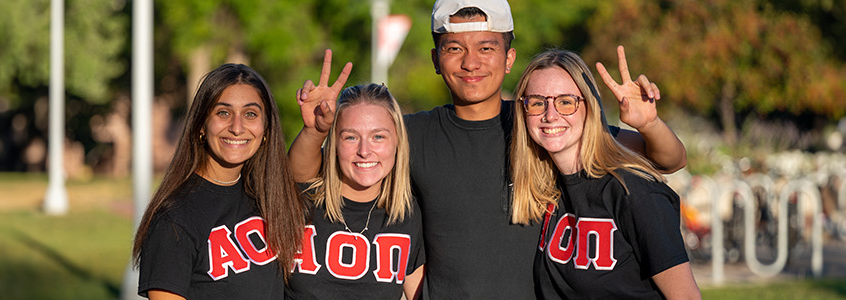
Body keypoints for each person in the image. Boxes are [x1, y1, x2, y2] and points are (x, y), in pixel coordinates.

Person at [288, 0, 689, 298]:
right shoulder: (414, 133)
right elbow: (309, 172)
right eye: (454, 48)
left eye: (486, 47)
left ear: (509, 57)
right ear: (435, 58)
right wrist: (312, 133)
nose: (471, 62)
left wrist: (650, 124)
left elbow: (668, 159)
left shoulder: (542, 123)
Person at [511, 50, 700, 299]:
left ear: (589, 107)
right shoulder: (546, 188)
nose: (550, 115)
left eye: (565, 102)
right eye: (537, 103)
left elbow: (686, 296)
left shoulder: (633, 192)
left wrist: (649, 124)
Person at [132, 63, 307, 300]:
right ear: (201, 126)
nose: (237, 127)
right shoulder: (174, 219)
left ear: (266, 129)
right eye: (223, 112)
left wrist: (314, 131)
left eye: (251, 114)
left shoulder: (266, 198)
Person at [288, 84, 425, 300]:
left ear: (397, 141)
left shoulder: (407, 215)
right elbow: (293, 172)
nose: (364, 151)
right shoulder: (302, 202)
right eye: (350, 137)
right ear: (334, 143)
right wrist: (313, 131)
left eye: (378, 137)